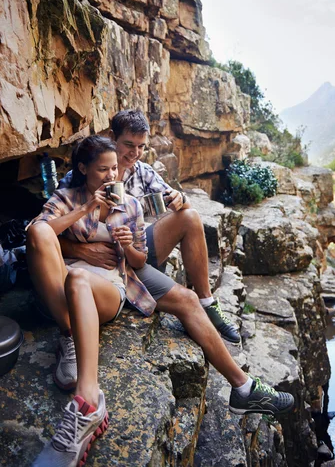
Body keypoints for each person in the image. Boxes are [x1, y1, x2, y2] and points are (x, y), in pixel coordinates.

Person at [28, 135, 294, 467]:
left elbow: (139, 261)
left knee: (170, 291)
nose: (113, 176)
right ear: (83, 169)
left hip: (109, 283)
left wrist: (127, 247)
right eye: (103, 169)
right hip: (64, 285)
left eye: (115, 169)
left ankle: (240, 387)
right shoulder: (68, 194)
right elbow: (39, 233)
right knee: (42, 237)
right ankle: (75, 355)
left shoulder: (130, 203)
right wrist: (87, 210)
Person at [59, 109, 240, 344]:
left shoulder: (142, 172)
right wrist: (80, 250)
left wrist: (180, 199)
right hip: (98, 264)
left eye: (141, 146)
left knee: (190, 216)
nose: (135, 153)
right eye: (128, 144)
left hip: (134, 254)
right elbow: (44, 234)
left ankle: (207, 302)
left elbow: (181, 204)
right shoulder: (78, 176)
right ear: (112, 137)